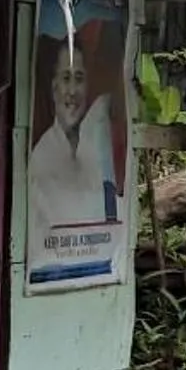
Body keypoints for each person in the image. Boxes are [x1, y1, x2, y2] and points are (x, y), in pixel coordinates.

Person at [30, 40, 119, 231]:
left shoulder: (92, 143)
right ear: (54, 87)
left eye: (79, 79)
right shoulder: (42, 157)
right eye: (66, 78)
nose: (72, 91)